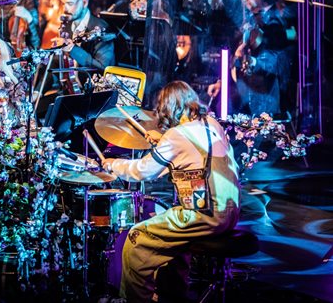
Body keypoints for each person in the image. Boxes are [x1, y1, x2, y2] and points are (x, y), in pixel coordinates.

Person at [101, 80, 240, 302]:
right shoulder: (212, 124)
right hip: (230, 214)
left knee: (136, 241)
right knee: (172, 245)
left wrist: (112, 165)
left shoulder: (177, 136)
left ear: (169, 108)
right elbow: (191, 155)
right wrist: (163, 142)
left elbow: (143, 171)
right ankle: (172, 296)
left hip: (202, 216)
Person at [51, 0, 115, 71]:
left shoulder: (102, 28)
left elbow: (103, 67)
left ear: (84, 3)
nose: (64, 9)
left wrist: (72, 49)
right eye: (63, 3)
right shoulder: (66, 25)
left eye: (70, 4)